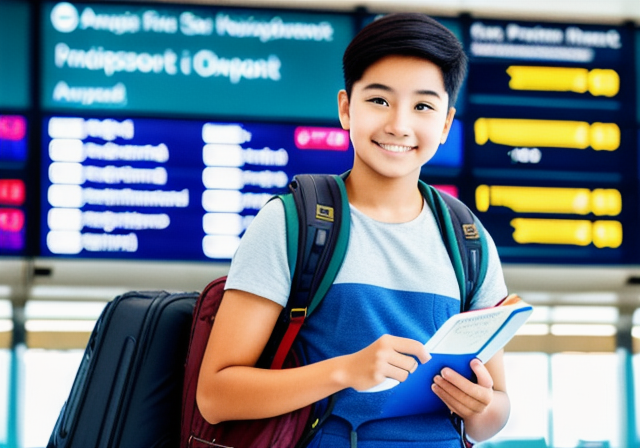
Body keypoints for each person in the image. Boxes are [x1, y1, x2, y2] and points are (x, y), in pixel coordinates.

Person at [196, 12, 510, 448]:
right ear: (346, 108)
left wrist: (481, 407)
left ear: (444, 124)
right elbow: (216, 396)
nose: (399, 124)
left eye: (422, 106)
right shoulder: (291, 225)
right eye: (379, 100)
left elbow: (495, 411)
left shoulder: (469, 240)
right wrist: (345, 370)